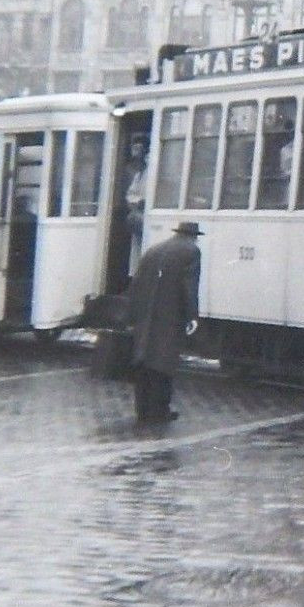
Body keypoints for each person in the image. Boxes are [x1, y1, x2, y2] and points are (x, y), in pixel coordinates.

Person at [127, 220, 202, 423]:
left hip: (146, 315)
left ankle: (142, 410)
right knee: (164, 364)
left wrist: (132, 313)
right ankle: (159, 411)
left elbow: (136, 282)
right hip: (170, 317)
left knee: (144, 362)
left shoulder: (153, 250)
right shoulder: (191, 251)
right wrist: (192, 316)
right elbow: (189, 287)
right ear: (193, 236)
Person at [122, 136, 148, 267]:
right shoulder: (138, 174)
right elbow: (131, 194)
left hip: (147, 217)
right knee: (136, 254)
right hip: (137, 218)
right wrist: (134, 202)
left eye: (139, 148)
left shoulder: (150, 172)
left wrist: (142, 202)